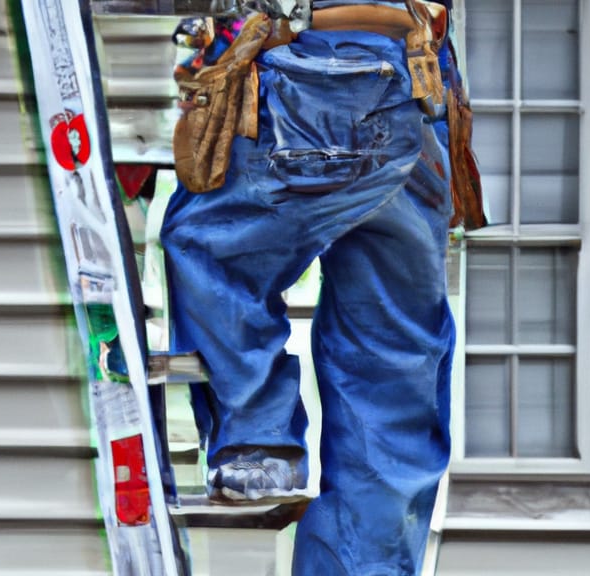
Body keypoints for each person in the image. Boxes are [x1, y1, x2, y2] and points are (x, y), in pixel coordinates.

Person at [161, 4, 458, 573]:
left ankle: (260, 442)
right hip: (420, 95)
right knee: (390, 365)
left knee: (210, 248)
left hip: (312, 77)